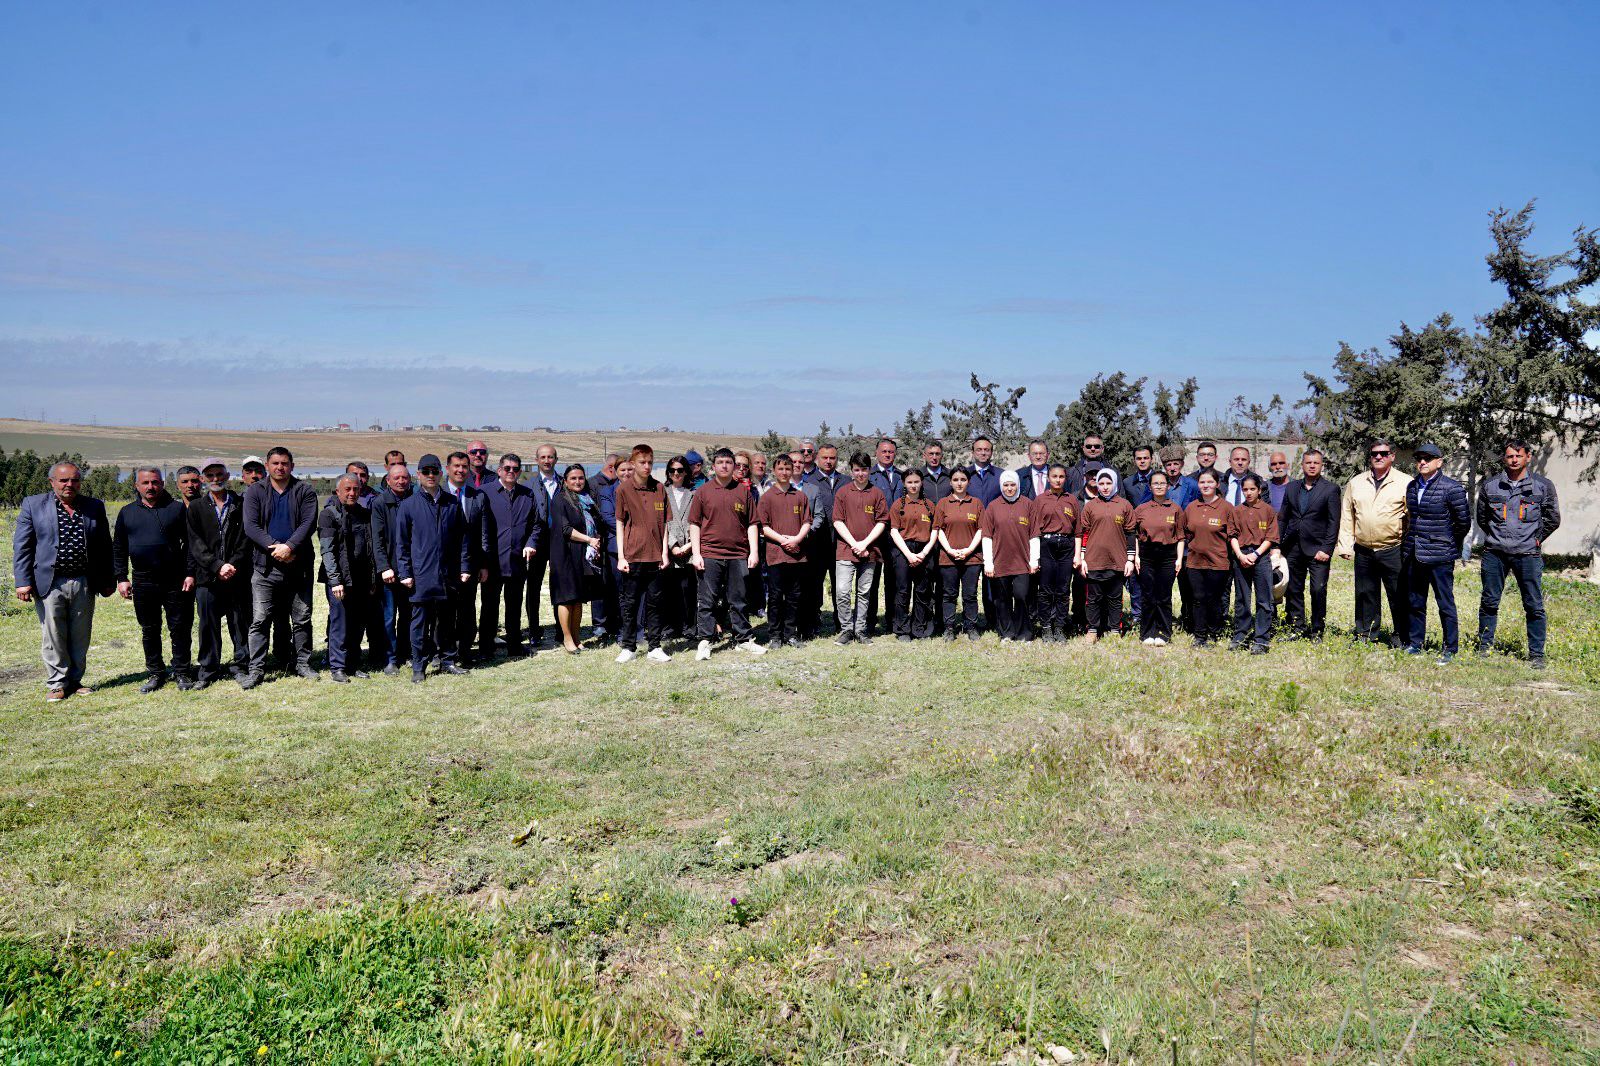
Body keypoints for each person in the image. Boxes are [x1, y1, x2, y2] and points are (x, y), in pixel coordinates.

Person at [13, 461, 114, 701]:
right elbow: (22, 546)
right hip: (49, 581)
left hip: (84, 580)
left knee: (80, 634)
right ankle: (57, 683)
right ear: (52, 482)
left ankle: (76, 681)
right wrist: (22, 581)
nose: (70, 484)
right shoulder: (33, 504)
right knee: (54, 634)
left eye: (75, 480)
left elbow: (104, 546)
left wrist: (108, 579)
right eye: (64, 480)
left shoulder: (94, 506)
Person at [1476, 439, 1561, 667]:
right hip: (1495, 553)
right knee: (1489, 601)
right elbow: (1482, 518)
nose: (1514, 460)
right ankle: (1484, 647)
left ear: (1528, 457)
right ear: (1504, 458)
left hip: (1527, 554)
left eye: (1518, 455)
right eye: (1510, 456)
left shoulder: (1543, 486)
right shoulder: (1491, 486)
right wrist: (1497, 536)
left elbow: (1552, 519)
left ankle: (1536, 655)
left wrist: (1536, 539)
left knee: (1534, 605)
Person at [241, 447, 319, 687]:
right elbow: (251, 526)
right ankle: (256, 669)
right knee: (260, 619)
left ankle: (303, 663)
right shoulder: (255, 491)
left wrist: (291, 547)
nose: (280, 467)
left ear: (292, 466)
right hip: (265, 568)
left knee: (302, 618)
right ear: (267, 465)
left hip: (299, 565)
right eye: (275, 463)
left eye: (284, 463)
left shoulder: (304, 490)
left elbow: (308, 523)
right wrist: (277, 548)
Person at [114, 467, 196, 692]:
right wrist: (121, 577)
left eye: (155, 482)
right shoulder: (127, 512)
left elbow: (190, 543)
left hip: (175, 579)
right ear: (136, 485)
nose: (151, 487)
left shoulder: (176, 509)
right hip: (143, 580)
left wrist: (190, 573)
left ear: (162, 484)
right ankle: (156, 673)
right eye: (145, 483)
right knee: (149, 629)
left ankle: (182, 671)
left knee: (179, 628)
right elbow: (119, 547)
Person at [396, 453, 473, 678]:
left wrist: (464, 567)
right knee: (419, 623)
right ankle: (419, 666)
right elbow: (402, 543)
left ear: (441, 474)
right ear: (418, 474)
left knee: (447, 620)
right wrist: (405, 572)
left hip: (448, 574)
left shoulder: (452, 503)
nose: (431, 475)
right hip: (421, 574)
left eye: (434, 471)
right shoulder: (409, 505)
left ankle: (448, 660)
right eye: (426, 472)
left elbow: (463, 539)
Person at [688, 449, 764, 659]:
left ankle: (743, 639)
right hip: (709, 553)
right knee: (707, 600)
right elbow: (694, 524)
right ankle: (705, 641)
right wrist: (696, 554)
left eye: (728, 462)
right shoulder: (703, 492)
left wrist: (754, 552)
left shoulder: (743, 491)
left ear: (733, 466)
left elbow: (752, 524)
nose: (724, 465)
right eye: (720, 462)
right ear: (713, 467)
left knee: (739, 599)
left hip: (738, 554)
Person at [1336, 439, 1413, 645]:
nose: (1379, 457)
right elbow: (1347, 515)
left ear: (1392, 456)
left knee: (1399, 594)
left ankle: (1402, 636)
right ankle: (1366, 634)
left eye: (1384, 453)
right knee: (1365, 594)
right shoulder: (1356, 482)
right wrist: (1345, 544)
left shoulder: (1405, 482)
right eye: (1374, 454)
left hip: (1393, 548)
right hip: (1364, 550)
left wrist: (1409, 546)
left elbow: (1412, 516)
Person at [1402, 443, 1470, 663]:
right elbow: (1412, 519)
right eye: (1419, 458)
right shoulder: (1412, 486)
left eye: (1428, 458)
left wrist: (1447, 543)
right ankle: (1415, 643)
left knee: (1445, 603)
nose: (1422, 462)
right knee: (1415, 601)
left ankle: (1450, 647)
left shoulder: (1452, 488)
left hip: (1440, 556)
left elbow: (1463, 523)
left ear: (1439, 462)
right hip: (1415, 553)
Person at [187, 459, 250, 689]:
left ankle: (241, 666)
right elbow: (195, 543)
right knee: (208, 625)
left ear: (227, 476)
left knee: (239, 623)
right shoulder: (196, 507)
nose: (215, 479)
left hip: (237, 575)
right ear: (203, 479)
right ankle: (208, 670)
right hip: (207, 577)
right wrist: (216, 565)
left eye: (219, 474)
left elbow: (246, 538)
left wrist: (231, 565)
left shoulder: (241, 504)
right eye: (210, 475)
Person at [319, 473, 380, 682]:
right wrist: (335, 580)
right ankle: (337, 667)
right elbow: (327, 550)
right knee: (340, 623)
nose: (352, 493)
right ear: (338, 491)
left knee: (358, 623)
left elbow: (370, 549)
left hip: (361, 578)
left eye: (355, 489)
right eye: (347, 489)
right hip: (340, 581)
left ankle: (353, 663)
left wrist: (372, 579)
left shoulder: (364, 514)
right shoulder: (328, 514)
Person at [615, 444, 672, 662]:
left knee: (655, 603)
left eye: (650, 462)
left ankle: (654, 647)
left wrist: (664, 553)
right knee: (630, 604)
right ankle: (628, 647)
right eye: (642, 462)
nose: (647, 466)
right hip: (632, 556)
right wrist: (621, 556)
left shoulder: (659, 488)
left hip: (655, 557)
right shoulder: (624, 490)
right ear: (633, 463)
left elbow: (664, 524)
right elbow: (620, 523)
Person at [481, 452, 540, 656]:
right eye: (507, 468)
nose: (511, 472)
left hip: (516, 559)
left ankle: (514, 644)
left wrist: (531, 543)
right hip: (492, 560)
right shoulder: (484, 493)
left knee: (514, 605)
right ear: (499, 470)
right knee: (489, 605)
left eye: (515, 469)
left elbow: (536, 525)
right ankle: (486, 647)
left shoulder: (527, 494)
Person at [1278, 449, 1341, 641]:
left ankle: (1317, 630)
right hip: (1293, 547)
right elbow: (1283, 518)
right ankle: (1297, 628)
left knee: (1318, 590)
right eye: (1308, 462)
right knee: (1293, 589)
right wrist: (1276, 545)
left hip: (1318, 549)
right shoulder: (1291, 488)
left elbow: (1334, 522)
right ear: (1302, 465)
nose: (1312, 466)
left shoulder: (1330, 489)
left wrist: (1327, 549)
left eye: (1316, 463)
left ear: (1321, 465)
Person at [832, 451, 890, 645]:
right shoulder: (843, 492)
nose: (860, 474)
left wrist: (864, 544)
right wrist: (854, 544)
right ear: (851, 471)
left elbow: (881, 522)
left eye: (864, 470)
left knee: (864, 593)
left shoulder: (877, 493)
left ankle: (861, 630)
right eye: (857, 470)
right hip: (845, 550)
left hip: (870, 551)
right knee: (842, 591)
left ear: (869, 470)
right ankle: (846, 629)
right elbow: (837, 521)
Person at [754, 454, 811, 648]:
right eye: (780, 469)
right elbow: (764, 527)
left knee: (794, 596)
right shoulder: (767, 497)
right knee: (776, 596)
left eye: (788, 469)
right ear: (774, 471)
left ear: (793, 470)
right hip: (776, 555)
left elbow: (807, 522)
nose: (784, 472)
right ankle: (775, 635)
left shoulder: (800, 496)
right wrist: (783, 540)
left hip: (797, 555)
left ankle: (790, 634)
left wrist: (796, 539)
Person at [1076, 469, 1135, 643]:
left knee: (1115, 598)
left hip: (1117, 560)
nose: (1105, 487)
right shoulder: (1090, 506)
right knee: (1093, 598)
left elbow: (1130, 533)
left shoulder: (1124, 505)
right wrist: (1083, 558)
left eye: (1108, 483)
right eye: (1101, 483)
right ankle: (1092, 630)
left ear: (1114, 483)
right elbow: (1084, 533)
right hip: (1094, 560)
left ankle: (1115, 629)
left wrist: (1130, 559)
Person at [443, 451, 492, 661]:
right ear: (448, 468)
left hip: (471, 563)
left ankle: (465, 651)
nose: (461, 470)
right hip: (443, 564)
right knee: (444, 610)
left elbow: (484, 533)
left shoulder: (477, 496)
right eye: (457, 466)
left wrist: (484, 564)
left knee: (467, 608)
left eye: (464, 466)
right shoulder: (438, 494)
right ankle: (443, 651)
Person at [980, 470, 1037, 642]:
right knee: (1001, 599)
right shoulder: (993, 506)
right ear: (1001, 486)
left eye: (1012, 485)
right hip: (1000, 562)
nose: (1009, 488)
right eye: (1006, 485)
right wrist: (988, 563)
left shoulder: (1028, 504)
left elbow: (1034, 535)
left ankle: (1024, 633)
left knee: (1022, 596)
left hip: (1022, 562)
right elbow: (987, 536)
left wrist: (1034, 560)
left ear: (1018, 485)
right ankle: (1006, 633)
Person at [370, 463, 415, 673]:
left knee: (408, 614)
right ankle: (390, 658)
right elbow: (377, 539)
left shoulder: (415, 500)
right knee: (388, 617)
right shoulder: (380, 503)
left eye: (405, 478)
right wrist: (384, 567)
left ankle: (406, 652)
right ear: (388, 481)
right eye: (396, 478)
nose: (401, 481)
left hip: (411, 569)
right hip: (389, 570)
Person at [1132, 471, 1185, 646]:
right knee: (1148, 594)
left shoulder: (1175, 509)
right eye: (1156, 483)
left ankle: (1163, 632)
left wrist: (1179, 559)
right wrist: (1136, 556)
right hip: (1146, 555)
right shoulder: (1141, 509)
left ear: (1168, 486)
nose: (1159, 486)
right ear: (1150, 487)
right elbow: (1135, 535)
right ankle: (1147, 632)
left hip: (1168, 556)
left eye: (1162, 483)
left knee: (1163, 595)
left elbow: (1180, 537)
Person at [1228, 473, 1279, 654]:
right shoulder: (1236, 511)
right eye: (1245, 489)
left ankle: (1261, 639)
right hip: (1241, 556)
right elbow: (1232, 535)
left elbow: (1271, 537)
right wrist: (1240, 555)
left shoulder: (1268, 510)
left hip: (1261, 557)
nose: (1248, 493)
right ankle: (1241, 635)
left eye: (1252, 489)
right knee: (1242, 598)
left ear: (1259, 490)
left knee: (1264, 599)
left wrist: (1256, 554)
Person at [1183, 471, 1234, 647]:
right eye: (1202, 482)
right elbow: (1185, 532)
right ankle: (1199, 635)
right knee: (1197, 598)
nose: (1206, 485)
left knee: (1214, 598)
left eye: (1210, 482)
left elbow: (1232, 535)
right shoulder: (1191, 507)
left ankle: (1213, 633)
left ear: (1217, 484)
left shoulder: (1226, 508)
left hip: (1218, 561)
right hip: (1195, 561)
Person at [1029, 464, 1078, 643]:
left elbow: (1077, 530)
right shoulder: (1040, 500)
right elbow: (1034, 529)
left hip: (1066, 545)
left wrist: (1077, 554)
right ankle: (1046, 627)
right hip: (1046, 545)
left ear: (1065, 478)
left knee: (1063, 589)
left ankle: (1059, 626)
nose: (1058, 480)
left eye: (1061, 477)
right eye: (1054, 476)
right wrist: (1034, 556)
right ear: (1048, 478)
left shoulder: (1071, 500)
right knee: (1045, 589)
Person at [934, 468, 984, 641]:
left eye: (963, 479)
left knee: (970, 594)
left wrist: (969, 550)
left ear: (968, 482)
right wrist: (949, 550)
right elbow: (938, 529)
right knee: (949, 594)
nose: (959, 483)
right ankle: (949, 627)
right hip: (948, 557)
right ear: (950, 482)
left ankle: (971, 626)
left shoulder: (976, 503)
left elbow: (981, 529)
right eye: (955, 480)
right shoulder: (943, 503)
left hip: (972, 558)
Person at [887, 469, 937, 640]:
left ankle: (920, 628)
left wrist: (924, 553)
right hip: (903, 550)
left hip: (925, 550)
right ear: (904, 483)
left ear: (921, 482)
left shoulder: (929, 505)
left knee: (923, 591)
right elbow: (894, 531)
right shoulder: (897, 505)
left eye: (916, 482)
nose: (913, 485)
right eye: (910, 482)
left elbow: (935, 531)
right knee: (902, 591)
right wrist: (908, 554)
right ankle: (902, 629)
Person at [803, 445, 847, 636]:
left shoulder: (846, 481)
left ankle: (841, 622)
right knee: (814, 584)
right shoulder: (809, 482)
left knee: (841, 585)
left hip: (841, 543)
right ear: (817, 459)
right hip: (816, 543)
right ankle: (813, 621)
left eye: (832, 458)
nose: (828, 461)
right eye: (824, 458)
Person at [524, 443, 562, 648]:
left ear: (556, 459)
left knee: (559, 585)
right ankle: (534, 630)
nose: (547, 461)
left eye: (550, 457)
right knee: (533, 587)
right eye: (543, 457)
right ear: (537, 460)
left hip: (559, 541)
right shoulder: (528, 485)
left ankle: (561, 628)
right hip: (537, 541)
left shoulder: (563, 482)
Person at [866, 438, 904, 637]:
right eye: (884, 451)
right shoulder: (869, 476)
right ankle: (869, 622)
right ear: (876, 453)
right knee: (871, 581)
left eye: (891, 452)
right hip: (874, 535)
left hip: (896, 535)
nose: (888, 454)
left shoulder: (901, 476)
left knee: (894, 581)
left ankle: (893, 621)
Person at [661, 456, 698, 641]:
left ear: (686, 472)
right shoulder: (662, 493)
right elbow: (662, 521)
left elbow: (697, 521)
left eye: (680, 470)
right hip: (669, 550)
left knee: (688, 590)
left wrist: (690, 545)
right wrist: (673, 545)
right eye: (672, 470)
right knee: (669, 591)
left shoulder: (694, 495)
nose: (676, 473)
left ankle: (689, 626)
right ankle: (670, 627)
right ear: (668, 473)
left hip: (690, 550)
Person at [965, 436, 1002, 505]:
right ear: (973, 452)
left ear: (991, 452)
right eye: (979, 450)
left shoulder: (1001, 475)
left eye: (987, 450)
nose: (983, 453)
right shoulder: (964, 475)